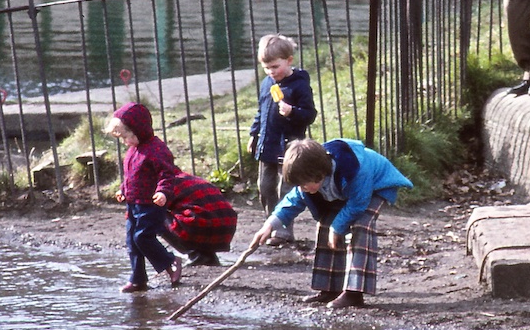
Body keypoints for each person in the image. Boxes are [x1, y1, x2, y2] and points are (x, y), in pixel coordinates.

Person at [250, 138, 413, 309]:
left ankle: (354, 293)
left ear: (319, 175)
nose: (302, 189)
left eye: (304, 185)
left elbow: (358, 204)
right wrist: (270, 225)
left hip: (376, 187)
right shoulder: (309, 180)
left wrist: (337, 227)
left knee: (360, 227)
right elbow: (292, 201)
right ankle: (330, 288)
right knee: (325, 225)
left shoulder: (355, 170)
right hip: (348, 194)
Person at [247, 34, 317, 246]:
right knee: (265, 187)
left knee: (284, 188)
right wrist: (254, 133)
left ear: (289, 60)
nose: (271, 72)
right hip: (267, 143)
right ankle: (271, 223)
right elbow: (261, 111)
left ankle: (284, 230)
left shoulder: (299, 85)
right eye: (266, 68)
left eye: (275, 67)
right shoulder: (267, 83)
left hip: (288, 145)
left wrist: (292, 111)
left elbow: (310, 114)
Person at [107, 102, 184, 292]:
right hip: (133, 204)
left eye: (127, 137)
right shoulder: (133, 150)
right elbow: (131, 175)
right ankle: (138, 278)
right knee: (132, 241)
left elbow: (167, 174)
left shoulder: (156, 149)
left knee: (143, 237)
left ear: (139, 130)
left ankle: (170, 261)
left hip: (151, 204)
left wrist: (163, 192)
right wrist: (123, 189)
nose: (125, 142)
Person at [155, 171, 239, 267]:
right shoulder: (185, 177)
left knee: (153, 214)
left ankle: (196, 254)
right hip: (227, 227)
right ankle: (208, 254)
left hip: (205, 225)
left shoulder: (163, 184)